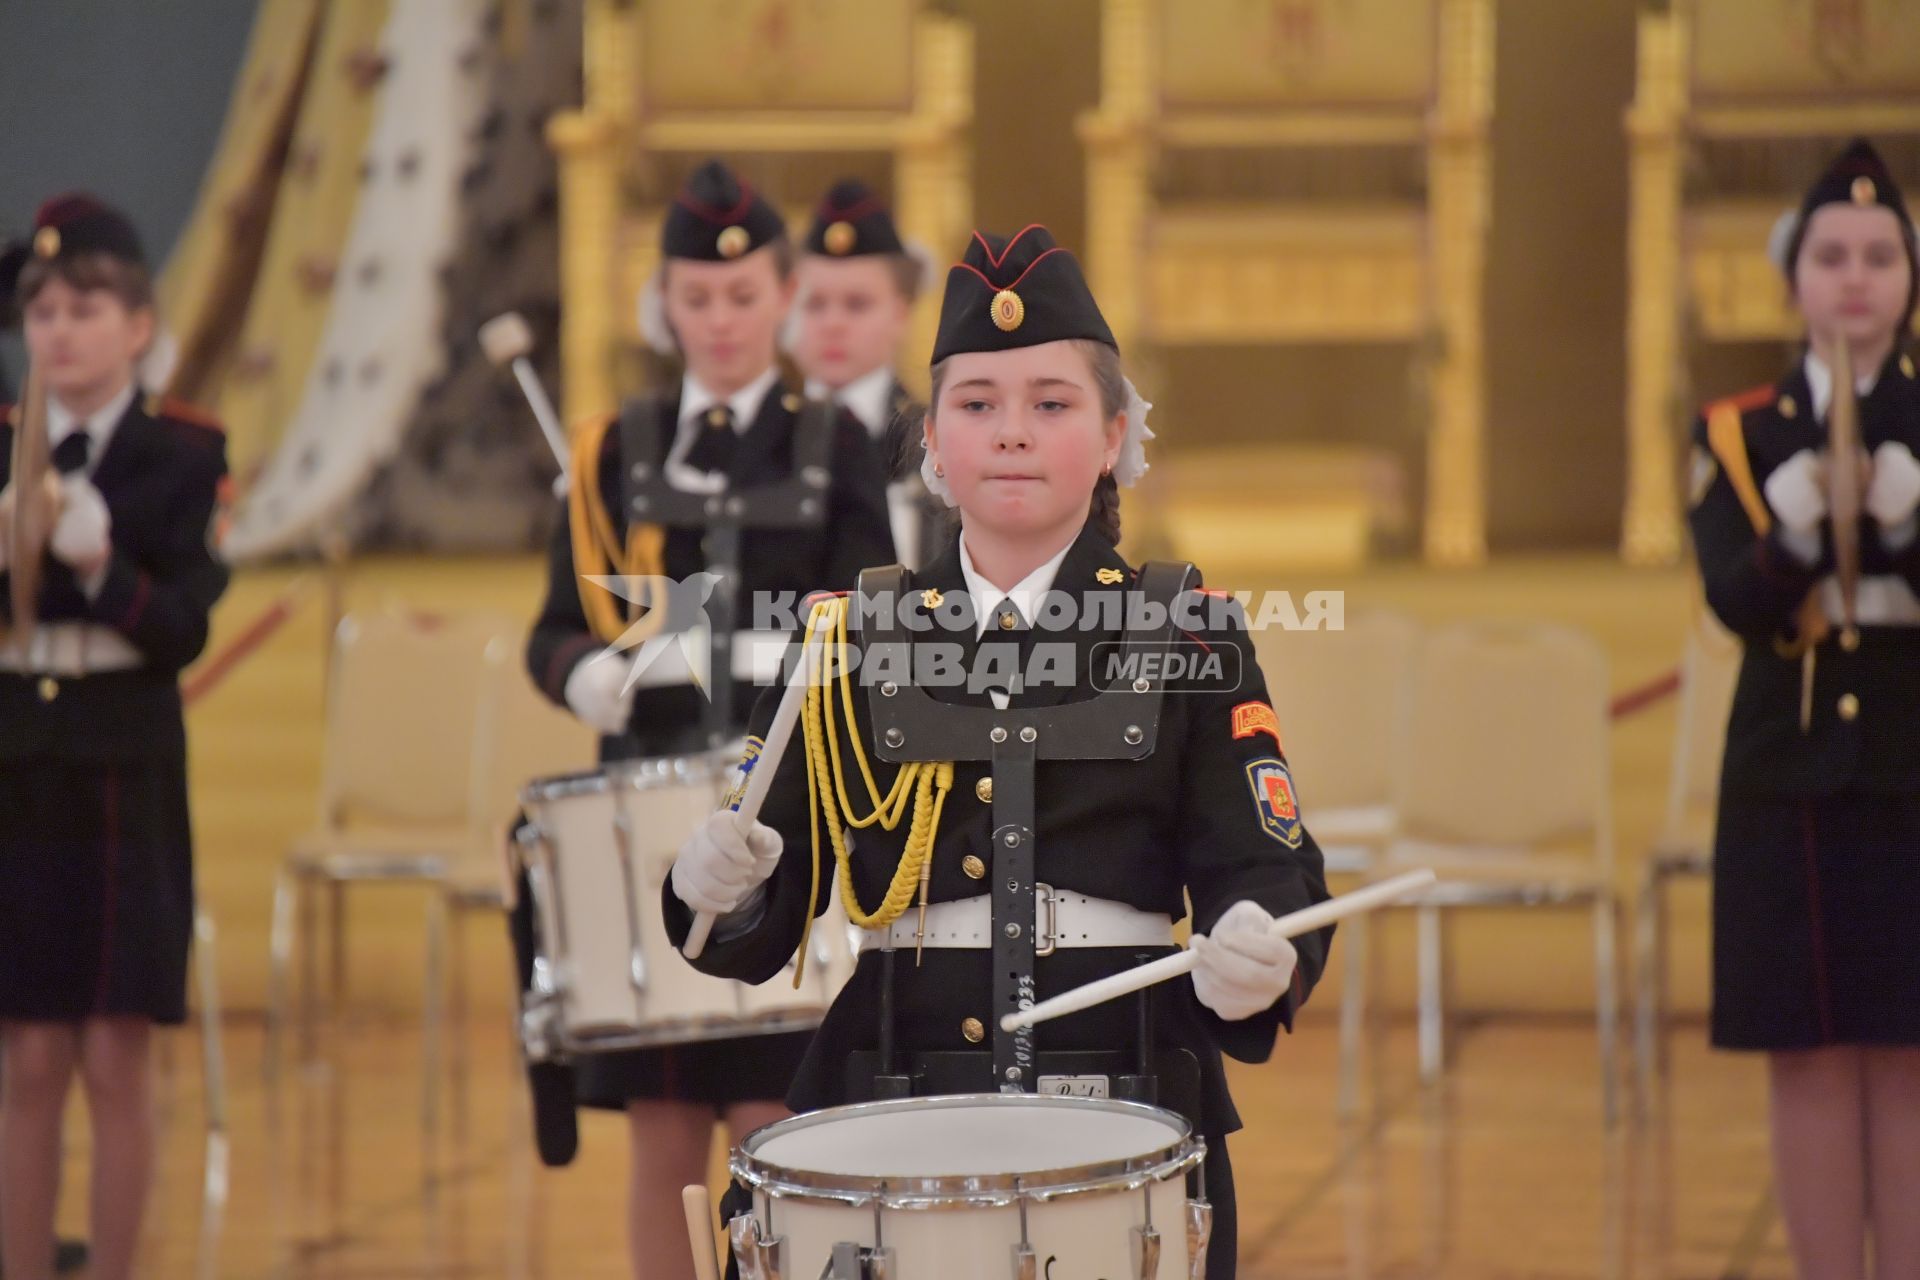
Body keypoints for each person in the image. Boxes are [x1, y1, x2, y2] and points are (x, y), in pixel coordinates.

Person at [663, 223, 1332, 1279]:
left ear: (1114, 433)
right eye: (978, 404)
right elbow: (749, 922)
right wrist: (717, 886)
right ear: (933, 440)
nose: (1011, 432)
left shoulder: (1191, 629)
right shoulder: (847, 634)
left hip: (1133, 1098)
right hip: (883, 1104)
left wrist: (1263, 948)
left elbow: (1268, 861)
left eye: (1051, 403)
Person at [520, 159, 894, 1280]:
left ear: (784, 296)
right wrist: (585, 674)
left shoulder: (838, 448)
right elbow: (553, 630)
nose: (720, 320)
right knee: (666, 1132)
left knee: (776, 1125)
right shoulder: (610, 453)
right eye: (696, 296)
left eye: (742, 297)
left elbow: (876, 626)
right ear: (662, 303)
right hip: (649, 823)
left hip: (778, 823)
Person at [1687, 138, 1920, 1280]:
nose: (1857, 276)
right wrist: (1788, 537)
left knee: (1913, 1054)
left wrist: (1905, 526)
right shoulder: (1739, 430)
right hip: (1787, 777)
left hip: (1911, 769)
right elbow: (1732, 602)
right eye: (1832, 253)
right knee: (1810, 1054)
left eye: (1882, 253)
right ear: (1795, 276)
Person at [0, 194, 230, 1280]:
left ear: (138, 322)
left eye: (86, 305)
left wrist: (104, 570)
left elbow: (182, 625)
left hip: (121, 766)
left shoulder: (180, 456)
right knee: (27, 1054)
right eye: (40, 309)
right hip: (16, 762)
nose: (59, 329)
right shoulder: (7, 447)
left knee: (112, 1049)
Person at [789, 178, 941, 567]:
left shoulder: (937, 439)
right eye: (815, 304)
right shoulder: (764, 435)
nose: (833, 324)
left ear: (901, 311)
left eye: (857, 304)